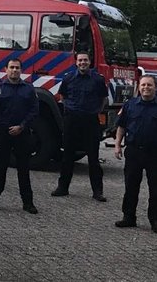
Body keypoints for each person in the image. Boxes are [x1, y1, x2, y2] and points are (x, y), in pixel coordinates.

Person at [51, 51, 108, 202]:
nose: (83, 63)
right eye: (80, 60)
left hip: (90, 121)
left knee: (93, 158)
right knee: (67, 155)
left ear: (90, 62)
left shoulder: (97, 80)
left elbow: (103, 99)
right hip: (72, 120)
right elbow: (62, 97)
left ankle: (97, 191)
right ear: (76, 62)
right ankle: (62, 187)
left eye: (85, 60)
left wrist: (95, 111)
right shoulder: (68, 78)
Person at [113, 75, 157, 234]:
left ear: (156, 87)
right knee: (131, 185)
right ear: (139, 87)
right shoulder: (130, 105)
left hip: (156, 153)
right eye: (143, 85)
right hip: (134, 151)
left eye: (149, 85)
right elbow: (121, 127)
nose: (146, 88)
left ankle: (156, 219)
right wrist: (117, 145)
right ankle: (128, 217)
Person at [0, 58, 39, 214]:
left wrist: (21, 126)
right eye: (12, 67)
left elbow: (34, 111)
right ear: (6, 69)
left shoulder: (29, 89)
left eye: (17, 68)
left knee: (23, 170)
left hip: (22, 134)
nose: (14, 70)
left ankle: (28, 203)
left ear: (21, 70)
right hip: (3, 134)